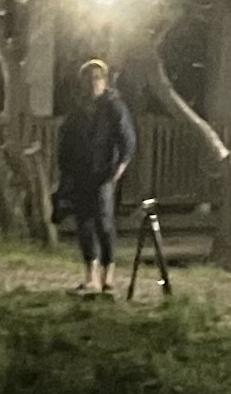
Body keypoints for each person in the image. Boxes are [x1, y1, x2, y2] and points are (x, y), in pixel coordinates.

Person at [54, 57, 138, 295]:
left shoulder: (113, 105)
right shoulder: (78, 109)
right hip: (80, 173)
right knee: (84, 223)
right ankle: (91, 276)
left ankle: (108, 275)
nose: (93, 83)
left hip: (104, 173)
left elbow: (127, 140)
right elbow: (66, 141)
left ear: (105, 81)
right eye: (89, 79)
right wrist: (65, 171)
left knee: (103, 221)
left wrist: (119, 168)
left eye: (97, 78)